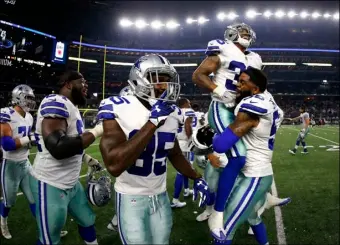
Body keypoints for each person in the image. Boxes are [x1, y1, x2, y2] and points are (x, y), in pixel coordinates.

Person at [98, 54, 210, 244]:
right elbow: (114, 165)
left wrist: (197, 177)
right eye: (156, 79)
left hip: (160, 195)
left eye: (166, 81)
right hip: (130, 197)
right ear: (138, 78)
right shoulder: (118, 107)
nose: (162, 86)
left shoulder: (172, 112)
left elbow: (174, 152)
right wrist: (152, 123)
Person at [192, 23, 263, 237]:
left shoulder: (256, 58)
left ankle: (258, 203)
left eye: (248, 32)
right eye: (242, 31)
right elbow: (198, 75)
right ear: (231, 34)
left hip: (243, 110)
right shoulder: (223, 48)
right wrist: (219, 89)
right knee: (238, 157)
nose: (247, 34)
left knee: (254, 158)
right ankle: (216, 212)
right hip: (222, 108)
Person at [29, 71, 103, 245]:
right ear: (68, 84)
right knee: (50, 239)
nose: (86, 85)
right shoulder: (56, 101)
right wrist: (98, 130)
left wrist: (85, 158)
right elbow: (58, 147)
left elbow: (71, 141)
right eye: (81, 82)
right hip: (50, 183)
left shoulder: (72, 107)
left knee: (87, 219)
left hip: (71, 182)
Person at [211, 67, 283, 244]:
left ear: (255, 89)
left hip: (254, 175)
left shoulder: (250, 108)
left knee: (223, 230)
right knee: (253, 218)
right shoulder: (268, 100)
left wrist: (212, 136)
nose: (238, 85)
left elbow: (221, 145)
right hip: (259, 171)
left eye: (243, 82)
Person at [0, 85, 36, 239]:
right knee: (9, 202)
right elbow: (7, 145)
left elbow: (26, 141)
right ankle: (3, 223)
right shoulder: (6, 114)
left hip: (25, 163)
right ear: (18, 97)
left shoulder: (29, 117)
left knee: (35, 198)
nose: (31, 101)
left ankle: (46, 225)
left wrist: (31, 140)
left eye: (31, 98)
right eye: (28, 98)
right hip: (10, 165)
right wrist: (30, 139)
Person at [171, 97, 195, 208]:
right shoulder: (188, 111)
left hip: (177, 141)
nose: (190, 105)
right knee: (182, 170)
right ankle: (175, 199)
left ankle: (186, 189)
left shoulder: (175, 111)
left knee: (184, 168)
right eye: (189, 102)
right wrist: (191, 138)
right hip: (185, 143)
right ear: (185, 103)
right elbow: (187, 126)